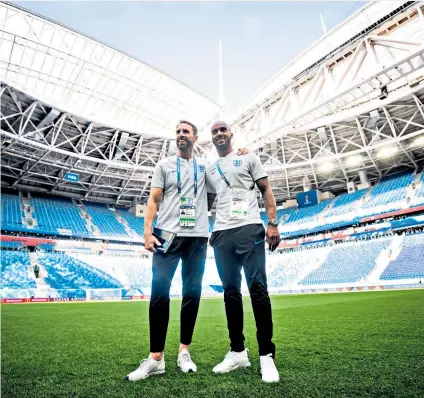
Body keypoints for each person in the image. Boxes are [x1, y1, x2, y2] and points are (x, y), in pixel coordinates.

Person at [126, 120, 247, 381]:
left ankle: (184, 351)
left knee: (192, 294)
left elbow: (222, 184)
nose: (181, 135)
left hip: (196, 237)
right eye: (178, 132)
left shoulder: (205, 166)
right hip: (166, 236)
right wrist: (147, 233)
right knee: (159, 294)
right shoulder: (164, 166)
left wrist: (241, 154)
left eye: (186, 132)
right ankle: (156, 358)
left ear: (195, 138)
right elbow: (154, 200)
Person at [207, 121, 281, 383]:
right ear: (211, 138)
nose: (218, 134)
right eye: (214, 131)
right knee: (230, 293)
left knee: (258, 289)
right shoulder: (209, 168)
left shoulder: (248, 157)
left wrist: (272, 223)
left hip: (249, 228)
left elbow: (266, 190)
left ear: (231, 135)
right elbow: (204, 201)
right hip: (221, 234)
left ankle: (266, 356)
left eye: (222, 130)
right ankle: (238, 351)